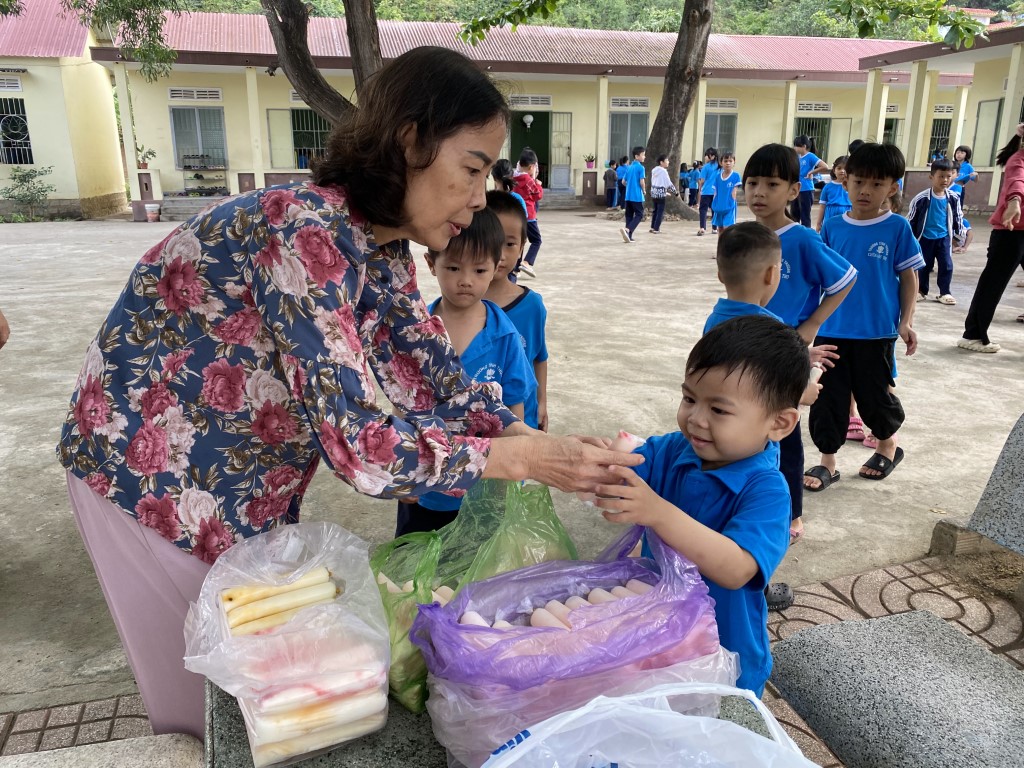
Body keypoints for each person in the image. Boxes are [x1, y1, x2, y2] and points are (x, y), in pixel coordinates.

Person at [55, 46, 641, 741]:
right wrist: (522, 461)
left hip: (236, 490)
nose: (481, 197)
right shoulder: (301, 229)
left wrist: (539, 443)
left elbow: (431, 375)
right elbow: (364, 451)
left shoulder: (379, 248)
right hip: (146, 482)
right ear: (411, 142)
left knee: (258, 701)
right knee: (206, 711)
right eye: (472, 168)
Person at [593, 314, 808, 696]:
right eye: (689, 398)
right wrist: (604, 466)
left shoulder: (767, 491)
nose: (695, 418)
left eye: (718, 410)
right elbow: (628, 472)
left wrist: (658, 512)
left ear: (779, 423)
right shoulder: (673, 450)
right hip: (660, 643)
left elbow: (737, 568)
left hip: (724, 657)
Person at [741, 144, 855, 607]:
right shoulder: (744, 234)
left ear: (793, 190)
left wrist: (809, 327)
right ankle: (751, 501)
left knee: (783, 433)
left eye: (772, 184)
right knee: (749, 428)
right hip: (749, 345)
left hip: (787, 349)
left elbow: (845, 279)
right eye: (752, 183)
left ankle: (789, 514)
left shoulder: (803, 239)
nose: (759, 192)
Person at [397, 208, 535, 536]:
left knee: (476, 558)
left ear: (497, 266)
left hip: (485, 482)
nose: (466, 280)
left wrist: (513, 472)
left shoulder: (505, 335)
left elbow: (515, 405)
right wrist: (403, 469)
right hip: (428, 480)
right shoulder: (417, 331)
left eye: (479, 269)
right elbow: (403, 401)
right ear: (431, 264)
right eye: (454, 267)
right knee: (417, 556)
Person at [809, 142, 923, 486]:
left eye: (876, 184)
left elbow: (909, 277)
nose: (865, 191)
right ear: (846, 181)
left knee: (874, 396)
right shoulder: (833, 227)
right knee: (828, 397)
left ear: (892, 188)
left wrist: (905, 321)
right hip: (832, 329)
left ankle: (888, 445)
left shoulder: (896, 228)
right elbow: (821, 277)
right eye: (859, 182)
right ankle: (827, 462)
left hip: (876, 331)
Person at [485, 190, 550, 432]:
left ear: (522, 247)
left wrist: (542, 402)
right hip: (478, 426)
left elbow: (539, 356)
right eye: (491, 241)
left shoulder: (532, 305)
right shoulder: (459, 304)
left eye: (510, 244)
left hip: (525, 419)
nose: (500, 254)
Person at [959, 124, 1024, 353]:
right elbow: (1016, 181)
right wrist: (1015, 201)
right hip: (1010, 232)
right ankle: (973, 335)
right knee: (993, 284)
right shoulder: (1018, 159)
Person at [906, 158, 965, 305]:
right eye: (941, 176)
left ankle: (945, 292)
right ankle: (921, 291)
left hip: (944, 238)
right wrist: (909, 238)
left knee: (946, 265)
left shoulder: (953, 198)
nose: (945, 180)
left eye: (948, 176)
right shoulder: (921, 199)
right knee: (923, 265)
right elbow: (911, 219)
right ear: (931, 177)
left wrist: (958, 236)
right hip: (925, 238)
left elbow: (958, 216)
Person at [512, 148, 544, 278]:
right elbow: (538, 195)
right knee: (536, 240)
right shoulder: (528, 180)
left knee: (521, 241)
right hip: (529, 215)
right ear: (531, 167)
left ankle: (515, 269)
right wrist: (538, 184)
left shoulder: (514, 177)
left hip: (517, 214)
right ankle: (527, 262)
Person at [793, 136, 829, 229]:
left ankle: (806, 234)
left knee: (805, 216)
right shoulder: (797, 157)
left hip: (806, 189)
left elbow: (825, 166)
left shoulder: (810, 156)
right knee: (794, 215)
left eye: (797, 146)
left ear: (804, 146)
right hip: (796, 189)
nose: (795, 148)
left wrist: (811, 172)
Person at [815, 156, 851, 230]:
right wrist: (818, 223)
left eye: (845, 169)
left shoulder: (853, 186)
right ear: (834, 170)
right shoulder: (827, 187)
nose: (842, 171)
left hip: (848, 215)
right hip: (831, 215)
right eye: (839, 168)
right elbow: (822, 206)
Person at [620, 145, 647, 243]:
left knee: (629, 215)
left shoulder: (629, 167)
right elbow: (642, 182)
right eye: (643, 155)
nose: (644, 157)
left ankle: (628, 236)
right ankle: (628, 230)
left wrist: (629, 186)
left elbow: (623, 182)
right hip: (636, 196)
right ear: (636, 156)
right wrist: (644, 190)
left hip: (628, 196)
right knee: (639, 214)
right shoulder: (641, 168)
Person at [710, 152, 741, 233]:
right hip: (719, 207)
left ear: (734, 162)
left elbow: (734, 192)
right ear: (721, 162)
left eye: (730, 161)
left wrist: (731, 203)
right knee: (720, 228)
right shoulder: (717, 177)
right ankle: (720, 242)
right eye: (726, 161)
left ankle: (728, 242)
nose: (728, 163)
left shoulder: (736, 176)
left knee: (727, 229)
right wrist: (714, 205)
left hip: (729, 207)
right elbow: (715, 193)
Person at [648, 154, 677, 234]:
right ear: (661, 162)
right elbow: (668, 183)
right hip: (661, 195)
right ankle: (656, 228)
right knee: (660, 212)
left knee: (655, 210)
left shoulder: (654, 170)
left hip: (654, 193)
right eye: (666, 160)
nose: (668, 162)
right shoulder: (664, 171)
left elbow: (655, 182)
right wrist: (675, 192)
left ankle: (652, 227)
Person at [697, 147, 719, 235]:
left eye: (706, 155)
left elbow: (702, 180)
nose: (705, 157)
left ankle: (702, 228)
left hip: (706, 191)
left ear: (712, 156)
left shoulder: (706, 167)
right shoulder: (720, 167)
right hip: (716, 192)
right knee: (714, 210)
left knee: (703, 209)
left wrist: (700, 188)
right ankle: (714, 228)